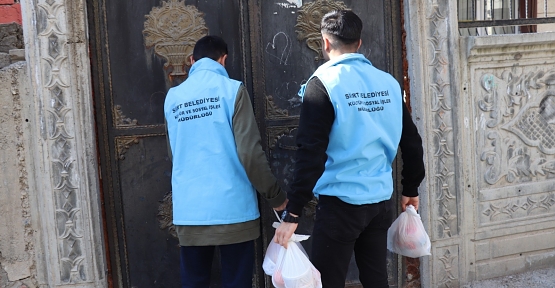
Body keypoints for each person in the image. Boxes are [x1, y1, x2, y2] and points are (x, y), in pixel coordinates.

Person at [275, 10, 425, 288]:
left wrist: (292, 212)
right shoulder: (388, 83)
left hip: (340, 206)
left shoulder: (323, 85)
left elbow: (311, 153)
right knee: (376, 278)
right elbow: (412, 143)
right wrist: (411, 188)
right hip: (379, 203)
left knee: (326, 281)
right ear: (359, 42)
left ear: (325, 43)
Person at [164, 35, 287, 288]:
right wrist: (276, 197)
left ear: (191, 61)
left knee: (194, 282)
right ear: (224, 59)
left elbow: (174, 153)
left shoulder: (173, 97)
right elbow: (250, 153)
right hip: (234, 211)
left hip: (191, 211)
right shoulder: (232, 90)